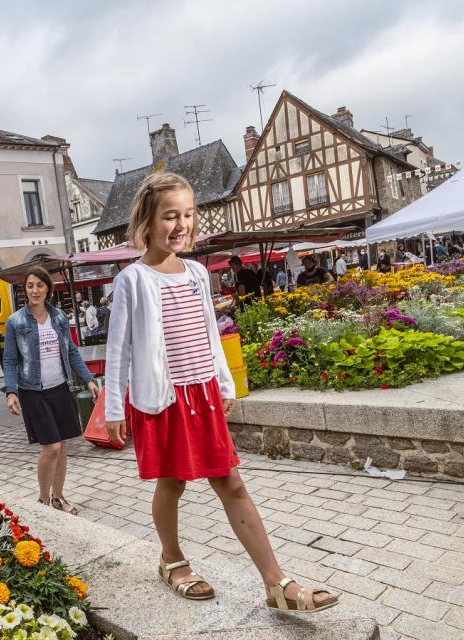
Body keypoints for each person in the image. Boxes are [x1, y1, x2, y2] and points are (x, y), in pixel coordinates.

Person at [104, 172, 338, 613]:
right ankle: (172, 560)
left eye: (188, 215)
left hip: (203, 395)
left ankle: (276, 583)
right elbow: (119, 350)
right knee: (172, 482)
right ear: (147, 221)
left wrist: (224, 382)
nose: (181, 225)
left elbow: (210, 333)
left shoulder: (195, 271)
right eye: (170, 216)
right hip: (165, 399)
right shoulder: (132, 279)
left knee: (230, 481)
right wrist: (114, 407)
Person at [3, 266, 99, 515]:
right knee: (52, 447)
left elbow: (71, 351)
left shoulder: (58, 317)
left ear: (48, 288)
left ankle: (58, 498)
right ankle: (43, 501)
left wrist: (88, 379)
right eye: (30, 285)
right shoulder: (16, 321)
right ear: (25, 290)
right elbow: (10, 360)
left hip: (60, 387)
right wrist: (11, 391)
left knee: (63, 445)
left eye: (40, 285)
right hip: (32, 391)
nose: (34, 290)